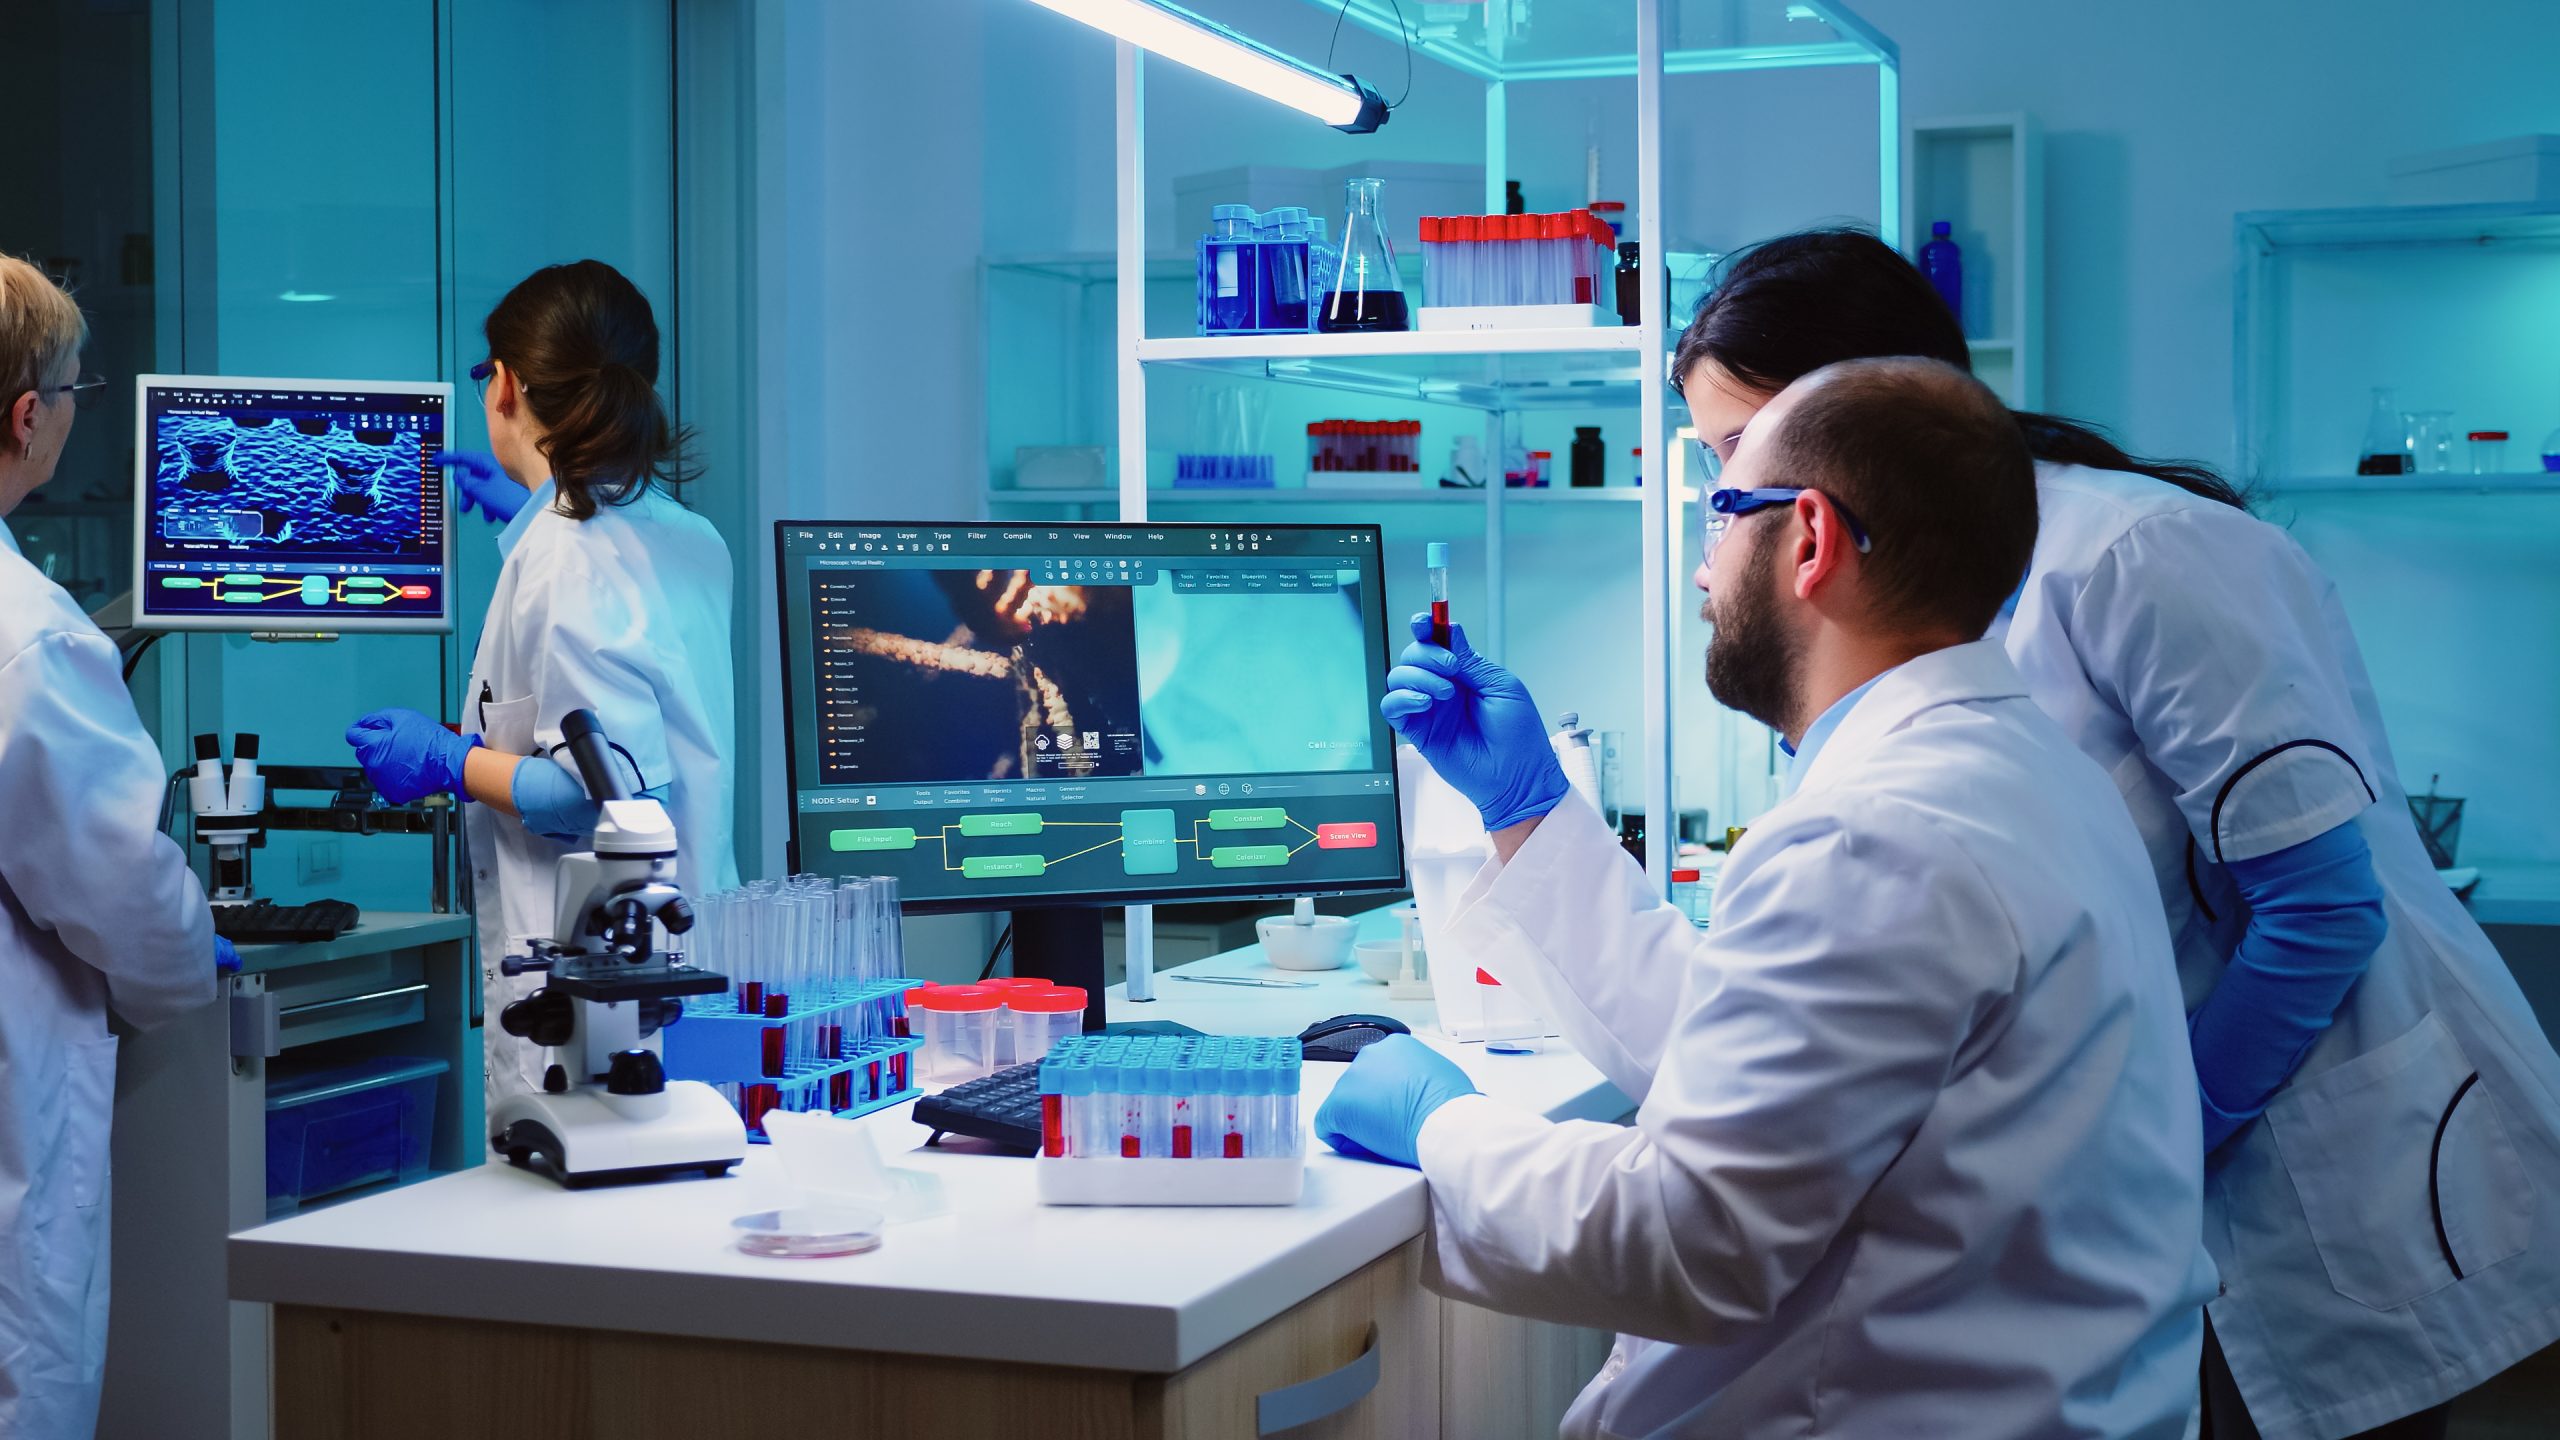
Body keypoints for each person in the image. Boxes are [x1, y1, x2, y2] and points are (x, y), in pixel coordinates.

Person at [1668, 228, 2560, 1440]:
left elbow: (2320, 908)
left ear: (1859, 407)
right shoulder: (1903, 606)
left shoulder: (2132, 550)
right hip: (2136, 1187)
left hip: (2308, 1155)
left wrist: (2134, 1154)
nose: (1726, 514)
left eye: (1735, 456)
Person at [1320, 358, 2217, 1439]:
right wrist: (1526, 807)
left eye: (1717, 511)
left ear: (1807, 538)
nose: (1703, 573)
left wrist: (1444, 1126)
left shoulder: (1878, 828)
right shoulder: (2028, 773)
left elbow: (1690, 1240)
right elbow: (1766, 1053)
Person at [344, 259, 737, 1107]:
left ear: (509, 386)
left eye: (487, 375)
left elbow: (599, 797)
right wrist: (534, 507)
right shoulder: (685, 533)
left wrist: (447, 760)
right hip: (687, 960)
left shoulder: (565, 554)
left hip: (600, 997)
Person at [0, 255, 227, 1434]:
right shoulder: (32, 643)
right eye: (80, 390)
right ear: (30, 415)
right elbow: (126, 895)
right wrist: (189, 968)